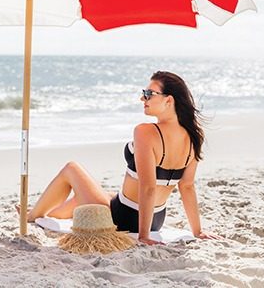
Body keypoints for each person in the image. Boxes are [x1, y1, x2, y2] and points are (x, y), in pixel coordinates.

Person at [24, 71, 219, 245]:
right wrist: (197, 231)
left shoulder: (146, 132)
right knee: (98, 194)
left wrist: (143, 236)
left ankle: (32, 216)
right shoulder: (194, 136)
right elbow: (186, 186)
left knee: (71, 168)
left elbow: (148, 186)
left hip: (126, 217)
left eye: (149, 94)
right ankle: (48, 215)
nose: (142, 98)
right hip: (157, 219)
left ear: (169, 100)